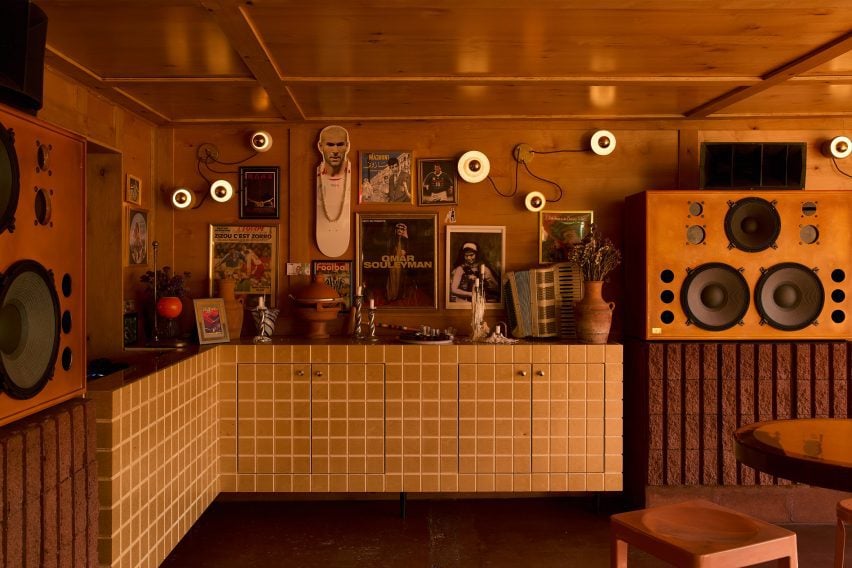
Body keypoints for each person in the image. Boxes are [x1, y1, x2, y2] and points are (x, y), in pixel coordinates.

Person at [386, 222, 409, 302]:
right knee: (392, 279)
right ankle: (391, 296)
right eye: (398, 229)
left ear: (404, 231)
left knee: (400, 280)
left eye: (402, 229)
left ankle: (398, 296)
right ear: (396, 230)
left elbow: (410, 251)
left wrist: (405, 252)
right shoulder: (391, 239)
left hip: (401, 264)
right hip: (393, 262)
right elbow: (387, 250)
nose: (399, 230)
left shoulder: (406, 240)